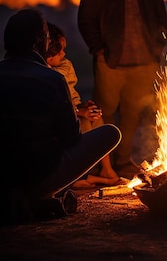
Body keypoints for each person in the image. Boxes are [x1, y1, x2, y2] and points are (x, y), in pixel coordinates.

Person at [0, 8, 121, 221]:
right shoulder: (51, 79)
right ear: (40, 41)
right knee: (111, 133)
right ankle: (34, 197)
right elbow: (71, 138)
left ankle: (11, 195)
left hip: (0, 175)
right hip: (40, 176)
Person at [77, 0, 167, 179]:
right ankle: (101, 165)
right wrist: (98, 50)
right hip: (110, 60)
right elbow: (86, 19)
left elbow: (161, 17)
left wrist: (157, 48)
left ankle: (123, 160)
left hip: (145, 60)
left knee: (132, 114)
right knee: (103, 112)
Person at [46, 22, 122, 186]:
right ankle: (76, 177)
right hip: (64, 118)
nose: (63, 53)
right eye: (59, 52)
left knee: (98, 121)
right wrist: (80, 113)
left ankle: (106, 170)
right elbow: (56, 106)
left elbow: (71, 95)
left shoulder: (65, 65)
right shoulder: (45, 75)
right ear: (48, 56)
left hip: (74, 109)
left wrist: (84, 107)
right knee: (84, 124)